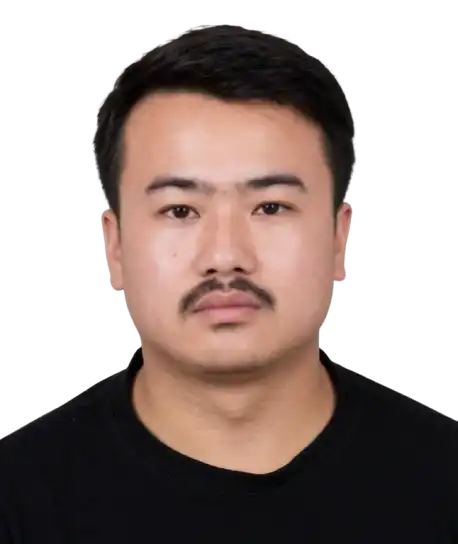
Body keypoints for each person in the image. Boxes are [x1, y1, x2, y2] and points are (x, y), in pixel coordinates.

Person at [1, 24, 456, 543]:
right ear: (116, 243)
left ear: (339, 237)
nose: (225, 257)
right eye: (179, 210)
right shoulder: (17, 502)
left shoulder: (445, 482)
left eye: (270, 207)